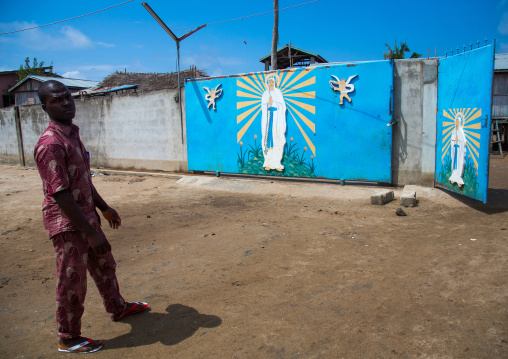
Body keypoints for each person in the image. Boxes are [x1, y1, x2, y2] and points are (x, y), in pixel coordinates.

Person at [34, 80, 148, 353]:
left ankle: (117, 307)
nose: (65, 103)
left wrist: (104, 208)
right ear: (44, 107)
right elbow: (60, 194)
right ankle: (68, 337)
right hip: (68, 224)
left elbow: (83, 180)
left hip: (86, 217)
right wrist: (90, 232)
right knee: (72, 281)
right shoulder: (50, 143)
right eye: (57, 100)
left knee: (105, 265)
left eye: (67, 97)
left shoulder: (71, 134)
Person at [261, 75, 287, 171]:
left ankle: (276, 163)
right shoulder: (264, 94)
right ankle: (267, 162)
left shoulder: (278, 93)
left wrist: (275, 103)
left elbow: (282, 106)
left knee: (278, 140)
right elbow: (262, 107)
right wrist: (268, 103)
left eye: (272, 82)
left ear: (275, 83)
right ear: (267, 83)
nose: (271, 84)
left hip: (276, 119)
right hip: (267, 118)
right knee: (266, 140)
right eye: (269, 82)